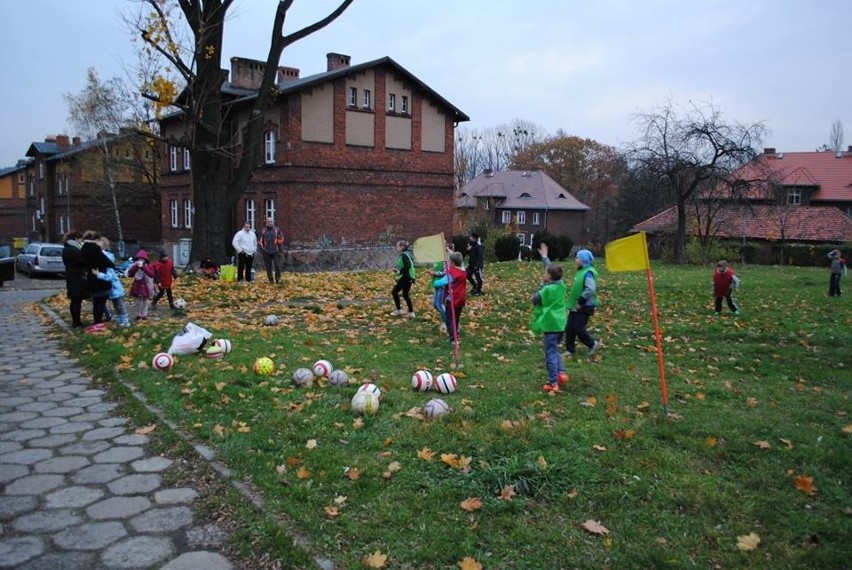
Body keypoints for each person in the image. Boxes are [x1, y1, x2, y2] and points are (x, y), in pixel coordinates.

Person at [532, 242, 569, 392]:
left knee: (550, 354)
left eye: (546, 273)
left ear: (549, 277)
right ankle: (561, 373)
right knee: (555, 350)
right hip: (561, 323)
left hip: (551, 325)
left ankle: (553, 382)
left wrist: (541, 285)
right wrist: (545, 258)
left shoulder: (547, 290)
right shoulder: (561, 284)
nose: (544, 274)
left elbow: (535, 299)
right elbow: (552, 271)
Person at [565, 249, 603, 358]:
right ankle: (570, 350)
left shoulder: (588, 273)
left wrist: (580, 301)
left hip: (584, 305)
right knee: (569, 327)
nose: (576, 259)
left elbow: (590, 289)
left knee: (578, 328)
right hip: (575, 305)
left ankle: (592, 344)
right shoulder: (580, 271)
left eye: (577, 257)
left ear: (584, 260)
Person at [93, 237, 130, 327]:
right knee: (116, 305)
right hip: (112, 289)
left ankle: (125, 321)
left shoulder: (108, 263)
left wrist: (98, 274)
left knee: (119, 305)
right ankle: (120, 320)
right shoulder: (105, 260)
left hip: (115, 288)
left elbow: (109, 277)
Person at [80, 230, 114, 325]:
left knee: (96, 302)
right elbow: (107, 261)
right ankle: (98, 322)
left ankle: (96, 320)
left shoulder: (83, 248)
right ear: (95, 239)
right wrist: (112, 265)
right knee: (101, 302)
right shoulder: (95, 249)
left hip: (91, 277)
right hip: (100, 277)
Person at [433, 251, 467, 343]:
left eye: (449, 261)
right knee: (456, 317)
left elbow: (443, 282)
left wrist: (436, 283)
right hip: (461, 298)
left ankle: (453, 338)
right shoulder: (463, 270)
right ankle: (456, 332)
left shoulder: (453, 272)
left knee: (449, 319)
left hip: (452, 298)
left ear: (452, 263)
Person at [61, 230, 88, 328]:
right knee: (76, 300)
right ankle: (76, 322)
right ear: (76, 238)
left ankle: (76, 321)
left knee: (75, 300)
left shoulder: (68, 248)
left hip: (72, 276)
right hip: (76, 277)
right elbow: (82, 261)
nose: (80, 241)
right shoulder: (73, 250)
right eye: (80, 239)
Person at [128, 249, 157, 321]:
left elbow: (151, 274)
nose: (140, 260)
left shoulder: (148, 266)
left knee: (145, 300)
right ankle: (138, 314)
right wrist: (136, 267)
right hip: (137, 285)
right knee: (138, 301)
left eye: (142, 259)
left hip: (146, 285)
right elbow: (130, 274)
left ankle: (144, 314)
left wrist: (143, 267)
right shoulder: (134, 266)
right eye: (139, 259)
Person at [391, 240, 416, 318]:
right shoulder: (408, 254)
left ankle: (399, 310)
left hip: (406, 277)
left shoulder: (404, 255)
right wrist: (397, 268)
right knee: (405, 294)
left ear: (402, 247)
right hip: (409, 277)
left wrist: (399, 271)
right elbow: (405, 264)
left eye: (397, 246)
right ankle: (411, 312)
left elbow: (407, 265)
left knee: (394, 292)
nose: (396, 248)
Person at [258, 217, 284, 284]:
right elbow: (259, 242)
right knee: (268, 268)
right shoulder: (263, 230)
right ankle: (271, 280)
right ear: (266, 222)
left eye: (271, 221)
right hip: (266, 252)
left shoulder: (277, 230)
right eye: (268, 221)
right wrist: (262, 251)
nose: (270, 222)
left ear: (273, 222)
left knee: (277, 266)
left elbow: (280, 241)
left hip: (276, 252)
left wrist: (281, 251)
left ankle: (277, 280)